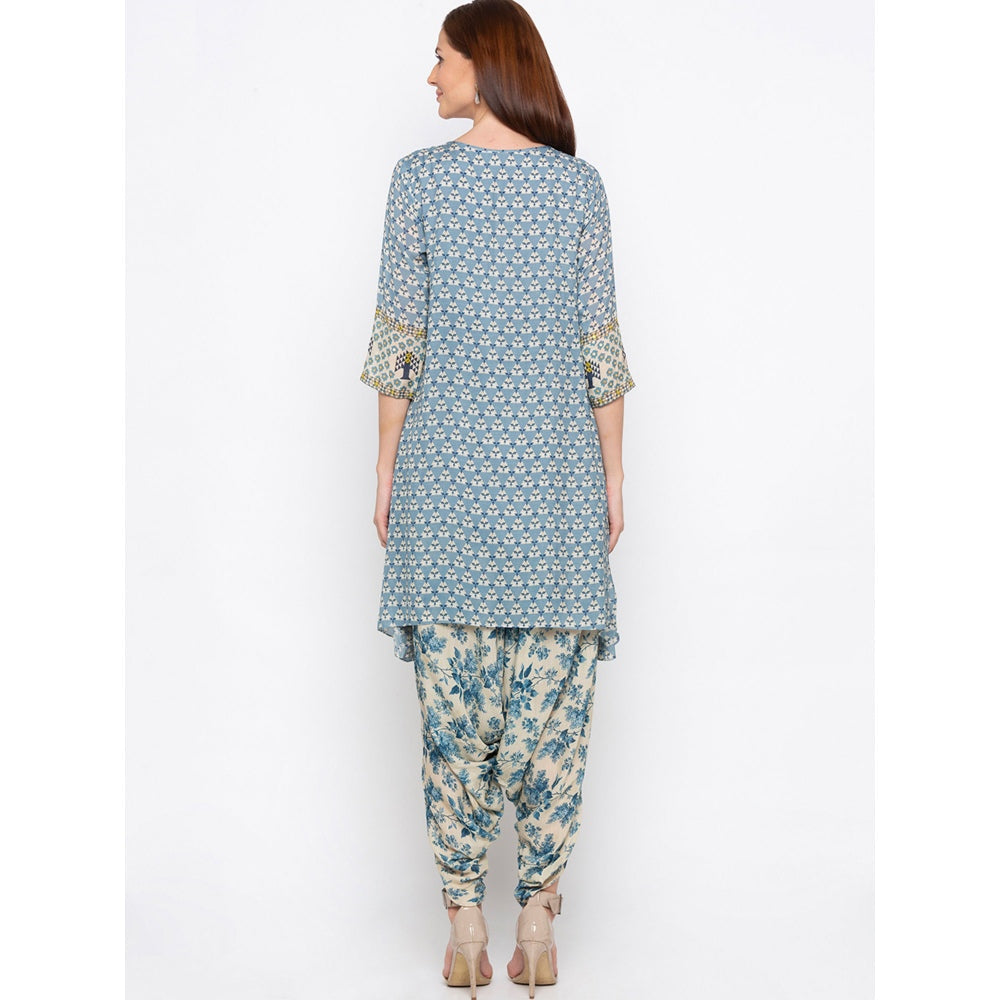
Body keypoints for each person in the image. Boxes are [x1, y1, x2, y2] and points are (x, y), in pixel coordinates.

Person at [359, 1, 636, 995]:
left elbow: (400, 339)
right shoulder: (577, 187)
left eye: (441, 57)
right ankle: (540, 923)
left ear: (485, 61)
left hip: (443, 490)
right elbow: (599, 345)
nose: (430, 75)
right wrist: (613, 476)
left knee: (453, 722)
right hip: (556, 489)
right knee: (553, 721)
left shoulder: (419, 181)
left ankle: (466, 925)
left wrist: (385, 467)